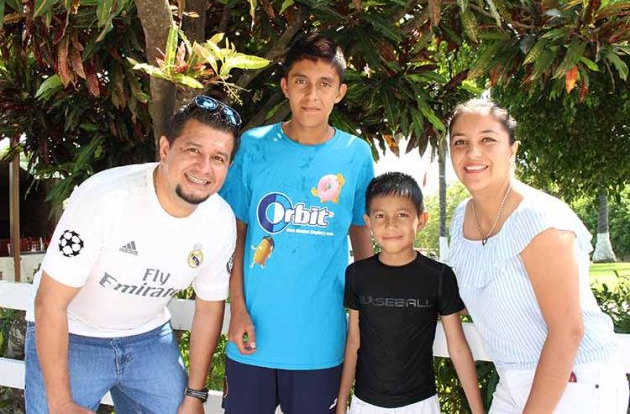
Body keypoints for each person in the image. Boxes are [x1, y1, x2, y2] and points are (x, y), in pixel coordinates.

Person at [24, 96, 242, 414]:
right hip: (73, 333)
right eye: (193, 150)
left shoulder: (220, 221)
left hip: (149, 338)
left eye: (218, 158)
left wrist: (195, 395)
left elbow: (209, 308)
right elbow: (50, 302)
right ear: (165, 149)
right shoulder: (106, 198)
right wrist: (60, 402)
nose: (204, 168)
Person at [220, 33, 375, 413]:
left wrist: (364, 316)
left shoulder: (356, 155)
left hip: (320, 344)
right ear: (285, 85)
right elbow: (234, 239)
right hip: (250, 337)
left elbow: (363, 241)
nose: (312, 95)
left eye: (324, 84)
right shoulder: (253, 146)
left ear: (339, 92)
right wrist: (236, 308)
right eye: (302, 82)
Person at [446, 98, 629, 413]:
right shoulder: (461, 217)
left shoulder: (539, 217)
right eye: (460, 142)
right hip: (512, 378)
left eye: (487, 140)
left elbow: (567, 331)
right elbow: (472, 292)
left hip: (576, 379)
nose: (472, 152)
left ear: (512, 149)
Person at [336, 172, 484, 414]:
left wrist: (478, 411)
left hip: (421, 403)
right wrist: (343, 401)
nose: (390, 224)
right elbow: (354, 340)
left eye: (402, 215)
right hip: (366, 403)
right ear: (368, 221)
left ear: (421, 219)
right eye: (380, 215)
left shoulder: (438, 276)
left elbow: (458, 347)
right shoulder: (357, 274)